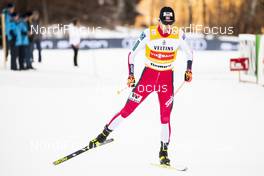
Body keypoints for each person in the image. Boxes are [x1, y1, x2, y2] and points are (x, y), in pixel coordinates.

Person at [89, 7, 193, 166]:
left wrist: (189, 70)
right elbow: (132, 54)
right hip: (148, 79)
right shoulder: (149, 34)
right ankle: (102, 135)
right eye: (165, 23)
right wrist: (131, 75)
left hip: (166, 81)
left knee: (165, 117)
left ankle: (163, 152)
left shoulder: (178, 34)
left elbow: (189, 52)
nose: (168, 26)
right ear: (159, 21)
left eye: (170, 23)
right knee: (128, 109)